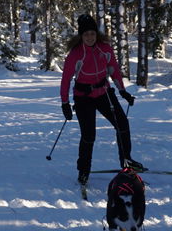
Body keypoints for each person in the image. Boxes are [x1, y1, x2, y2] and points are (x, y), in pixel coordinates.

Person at [59, 13, 141, 186]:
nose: (90, 37)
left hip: (104, 93)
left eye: (92, 34)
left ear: (97, 34)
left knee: (122, 125)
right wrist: (65, 103)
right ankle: (83, 170)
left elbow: (114, 71)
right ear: (81, 36)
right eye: (86, 34)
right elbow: (66, 79)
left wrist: (123, 92)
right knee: (89, 136)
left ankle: (126, 163)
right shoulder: (75, 54)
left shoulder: (105, 48)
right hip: (83, 97)